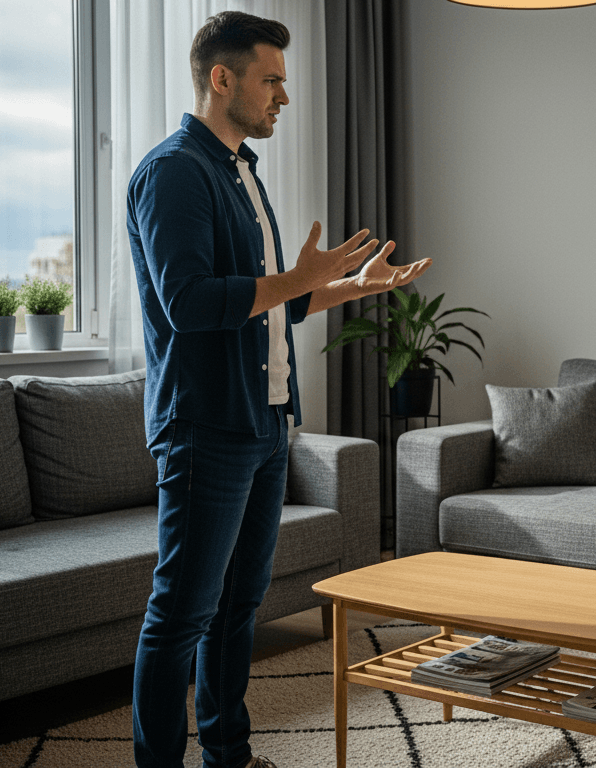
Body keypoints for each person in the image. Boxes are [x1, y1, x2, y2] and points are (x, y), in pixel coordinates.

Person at [126, 12, 430, 768]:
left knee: (238, 609)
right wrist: (298, 278)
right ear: (221, 79)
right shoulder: (173, 172)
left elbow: (273, 301)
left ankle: (228, 755)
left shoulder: (241, 170)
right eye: (272, 79)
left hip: (264, 423)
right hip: (205, 425)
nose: (283, 97)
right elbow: (188, 303)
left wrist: (350, 286)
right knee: (182, 614)